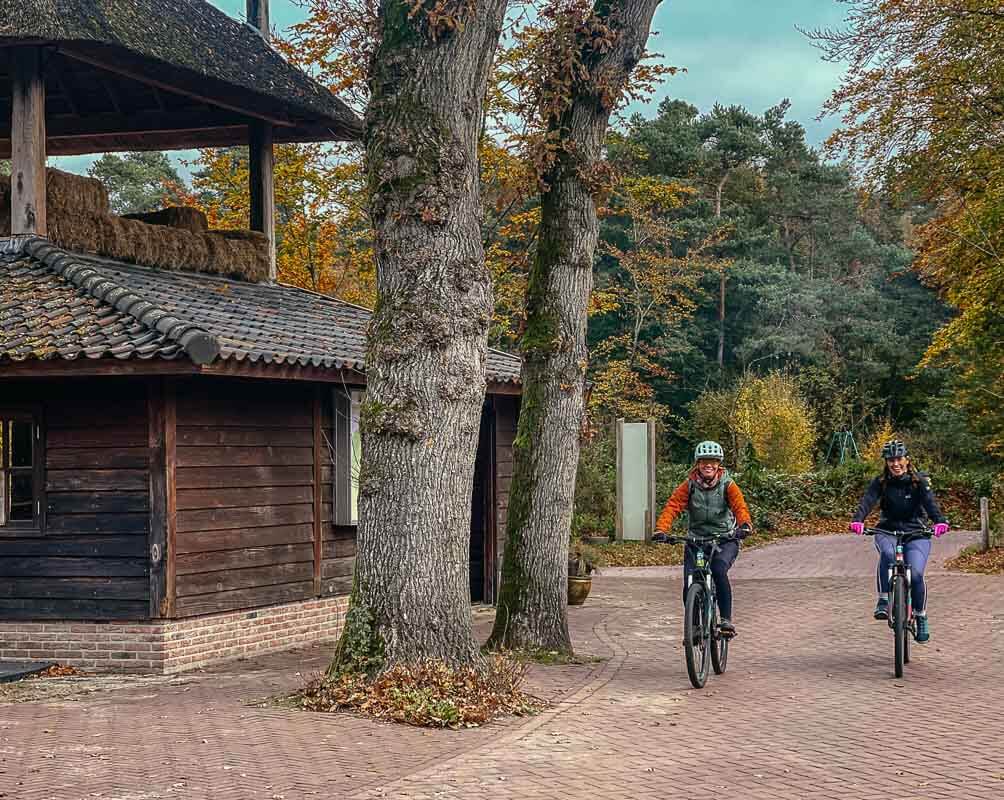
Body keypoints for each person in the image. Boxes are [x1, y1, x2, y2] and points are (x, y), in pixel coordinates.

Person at [848, 440, 949, 643]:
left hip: (916, 532)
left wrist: (940, 522)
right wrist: (858, 520)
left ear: (907, 460)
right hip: (888, 530)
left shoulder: (919, 481)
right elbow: (868, 500)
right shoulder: (881, 482)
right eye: (890, 460)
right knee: (887, 554)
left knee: (917, 574)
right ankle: (884, 599)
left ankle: (920, 616)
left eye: (898, 459)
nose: (895, 464)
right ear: (886, 462)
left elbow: (930, 504)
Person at [653, 440, 753, 637]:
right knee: (690, 581)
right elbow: (673, 506)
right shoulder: (688, 485)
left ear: (719, 464)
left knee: (717, 569)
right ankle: (695, 627)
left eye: (713, 461)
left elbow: (739, 507)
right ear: (697, 464)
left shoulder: (728, 485)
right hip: (696, 542)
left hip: (724, 540)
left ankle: (725, 621)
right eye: (704, 461)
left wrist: (745, 525)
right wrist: (661, 530)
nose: (708, 465)